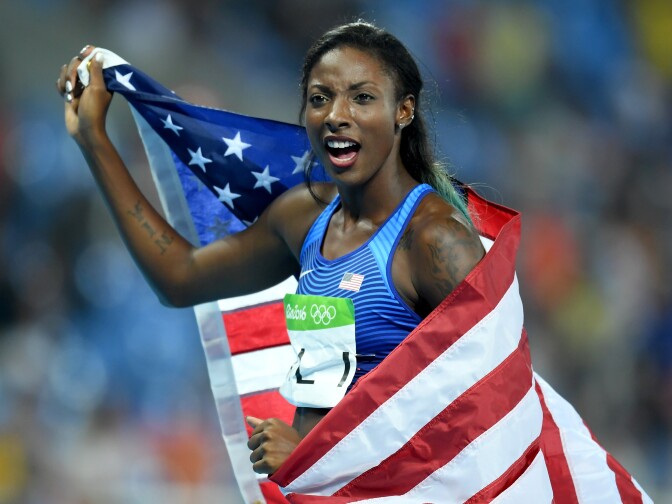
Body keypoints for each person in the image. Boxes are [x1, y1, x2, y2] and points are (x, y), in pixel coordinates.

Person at [57, 21, 484, 475]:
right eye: (321, 98)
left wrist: (314, 452)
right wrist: (93, 138)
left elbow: (482, 411)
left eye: (361, 97)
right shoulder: (303, 220)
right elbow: (179, 278)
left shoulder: (436, 240)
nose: (337, 114)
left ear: (403, 111)